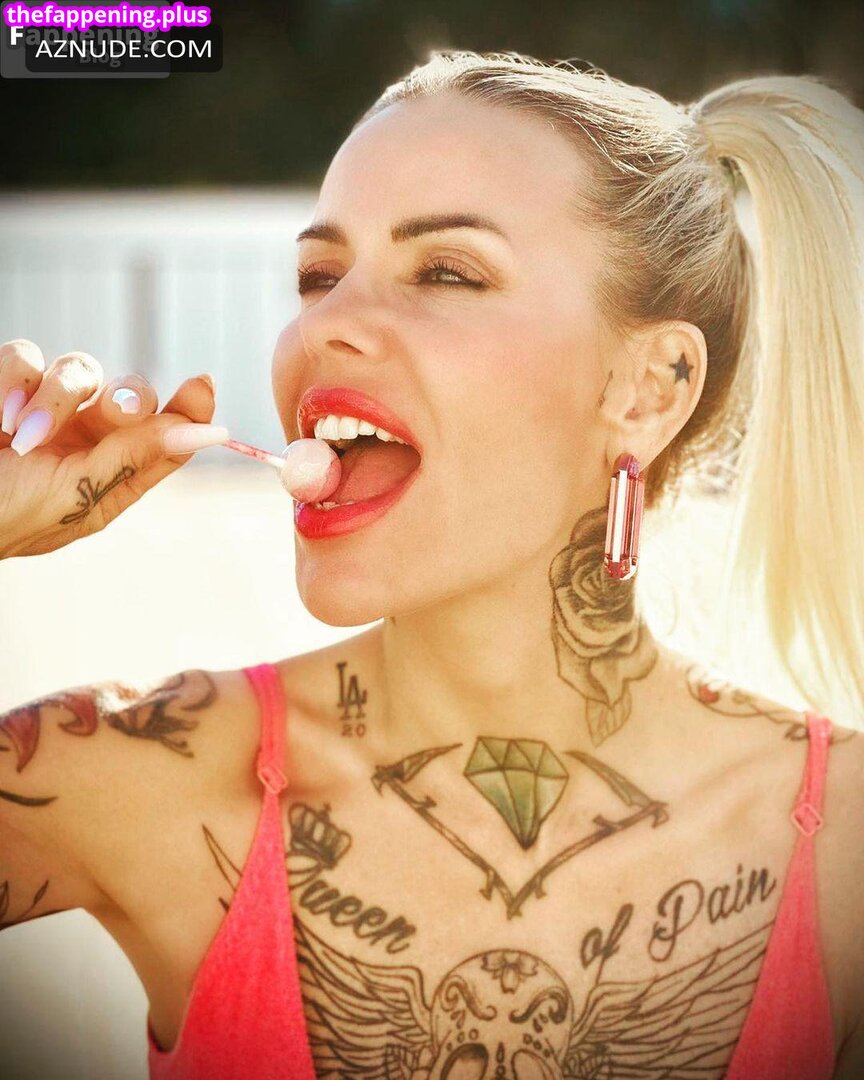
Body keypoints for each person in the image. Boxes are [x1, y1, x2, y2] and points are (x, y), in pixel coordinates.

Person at [1, 49, 862, 1080]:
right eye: (319, 277)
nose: (324, 324)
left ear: (650, 387)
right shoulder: (137, 778)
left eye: (447, 272)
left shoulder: (846, 844)